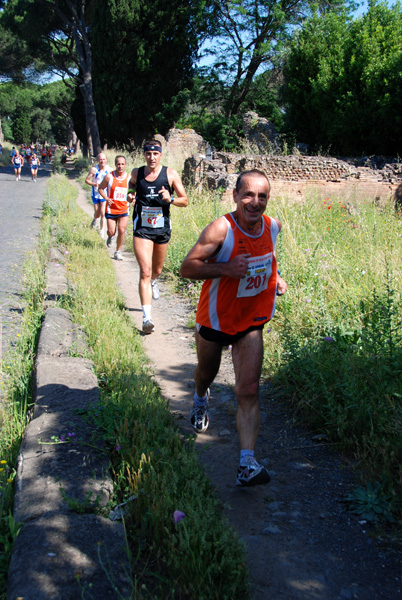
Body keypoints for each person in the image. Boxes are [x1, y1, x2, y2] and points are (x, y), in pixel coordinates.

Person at [180, 169, 288, 487]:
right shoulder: (220, 229)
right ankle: (200, 398)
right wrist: (226, 268)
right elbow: (187, 267)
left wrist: (274, 277)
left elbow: (269, 255)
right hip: (215, 319)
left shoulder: (273, 227)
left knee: (249, 390)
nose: (255, 202)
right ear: (235, 196)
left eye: (262, 196)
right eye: (249, 195)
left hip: (251, 321)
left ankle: (247, 464)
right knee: (206, 372)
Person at [128, 139, 188, 334]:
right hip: (142, 228)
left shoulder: (170, 174)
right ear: (144, 154)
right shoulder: (137, 172)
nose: (151, 157)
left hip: (162, 229)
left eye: (155, 154)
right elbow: (131, 184)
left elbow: (185, 200)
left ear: (160, 154)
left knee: (157, 270)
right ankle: (147, 318)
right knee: (145, 271)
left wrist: (170, 199)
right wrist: (130, 193)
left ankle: (154, 281)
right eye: (148, 154)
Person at [98, 155, 131, 261]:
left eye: (122, 164)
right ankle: (110, 237)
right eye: (118, 164)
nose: (120, 166)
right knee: (111, 231)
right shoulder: (109, 176)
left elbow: (133, 191)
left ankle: (117, 251)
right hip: (111, 209)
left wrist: (132, 198)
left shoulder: (129, 178)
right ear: (115, 164)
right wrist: (106, 198)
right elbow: (100, 189)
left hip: (124, 209)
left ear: (125, 165)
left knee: (122, 230)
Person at [85, 152, 112, 239]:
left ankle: (101, 231)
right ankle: (95, 220)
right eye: (100, 159)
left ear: (106, 160)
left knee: (103, 213)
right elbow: (87, 180)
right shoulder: (94, 169)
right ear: (97, 160)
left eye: (104, 159)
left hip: (104, 194)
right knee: (97, 214)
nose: (102, 161)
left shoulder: (110, 170)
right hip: (95, 194)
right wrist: (94, 184)